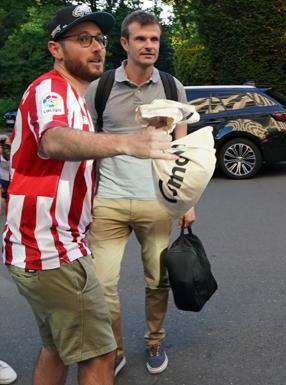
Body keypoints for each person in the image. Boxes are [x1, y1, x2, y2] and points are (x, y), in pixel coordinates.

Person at [2, 5, 176, 385]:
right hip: (52, 251)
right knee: (100, 356)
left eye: (98, 39)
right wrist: (129, 143)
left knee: (56, 349)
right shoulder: (53, 89)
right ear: (56, 49)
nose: (96, 47)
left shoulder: (74, 95)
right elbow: (54, 139)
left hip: (45, 247)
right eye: (83, 39)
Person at [84, 10, 194, 376]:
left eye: (154, 40)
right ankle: (113, 350)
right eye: (141, 39)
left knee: (157, 279)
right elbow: (84, 145)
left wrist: (186, 201)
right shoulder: (98, 88)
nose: (149, 46)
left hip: (156, 201)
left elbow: (183, 149)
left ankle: (154, 340)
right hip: (108, 202)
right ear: (124, 43)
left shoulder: (171, 85)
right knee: (102, 285)